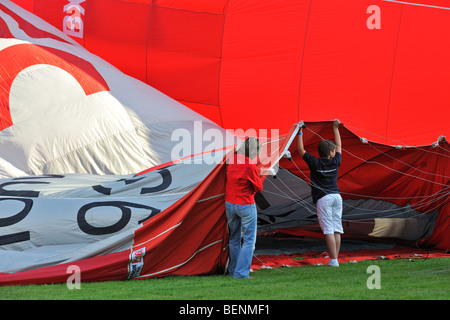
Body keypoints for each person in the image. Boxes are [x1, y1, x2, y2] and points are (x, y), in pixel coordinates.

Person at [297, 119, 343, 267]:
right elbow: (339, 146)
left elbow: (300, 150)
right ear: (331, 152)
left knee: (328, 228)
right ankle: (335, 259)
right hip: (337, 196)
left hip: (324, 199)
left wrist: (300, 131)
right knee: (336, 228)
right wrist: (335, 128)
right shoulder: (336, 161)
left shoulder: (315, 163)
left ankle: (334, 260)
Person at [225, 137, 263, 278]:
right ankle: (241, 273)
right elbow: (259, 188)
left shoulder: (231, 159)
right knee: (248, 241)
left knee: (234, 239)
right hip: (245, 204)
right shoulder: (250, 166)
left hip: (229, 203)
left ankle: (233, 270)